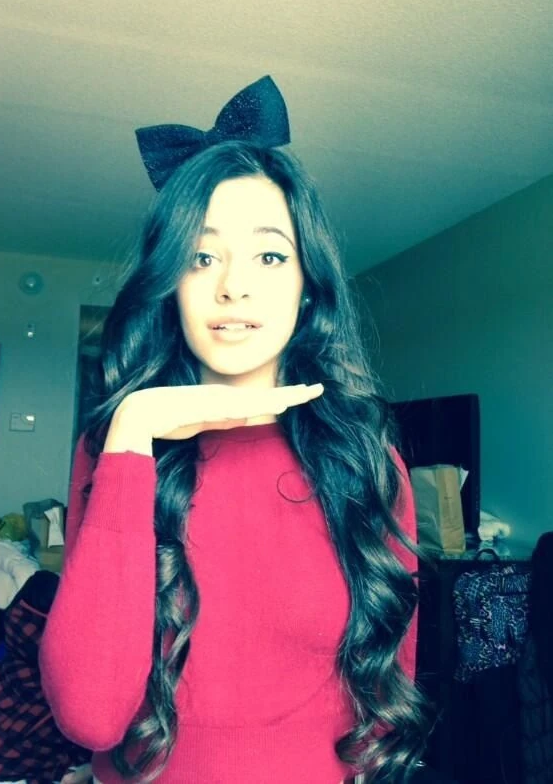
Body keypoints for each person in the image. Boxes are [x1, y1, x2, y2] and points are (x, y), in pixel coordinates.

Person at [40, 76, 427, 783]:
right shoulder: (116, 448)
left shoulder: (366, 459)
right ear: (171, 285)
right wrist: (131, 434)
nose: (232, 286)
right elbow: (90, 716)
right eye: (201, 255)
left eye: (269, 256)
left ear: (307, 285)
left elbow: (387, 686)